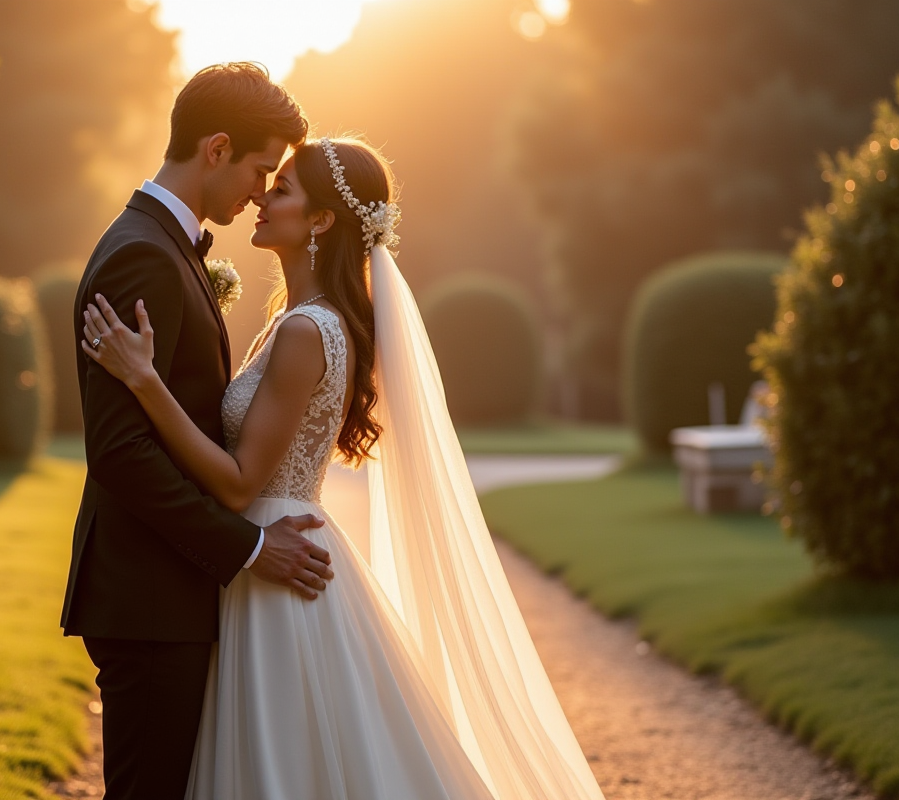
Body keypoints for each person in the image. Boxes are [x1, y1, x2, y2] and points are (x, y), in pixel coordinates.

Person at [82, 134, 608, 799]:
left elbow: (242, 480)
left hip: (277, 559)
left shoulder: (307, 331)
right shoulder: (294, 321)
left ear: (322, 220)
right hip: (272, 551)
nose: (260, 198)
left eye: (282, 190)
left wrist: (144, 382)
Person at [60, 63, 335, 800]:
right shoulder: (145, 254)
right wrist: (245, 546)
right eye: (259, 169)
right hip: (149, 597)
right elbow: (120, 453)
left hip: (164, 592)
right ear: (216, 149)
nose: (259, 190)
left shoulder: (164, 246)